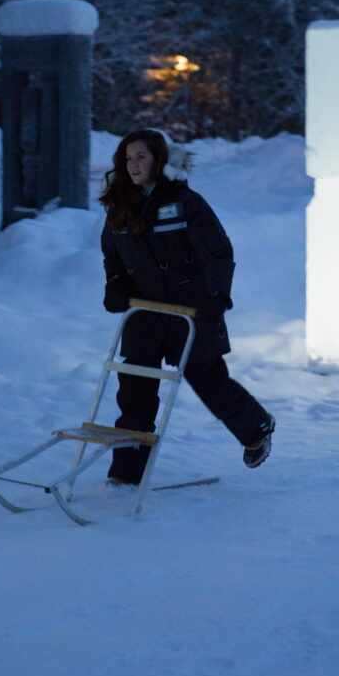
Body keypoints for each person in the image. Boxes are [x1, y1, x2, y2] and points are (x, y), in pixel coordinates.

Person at [99, 128, 275, 485]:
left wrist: (215, 300)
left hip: (191, 310)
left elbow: (218, 253)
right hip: (145, 312)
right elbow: (113, 257)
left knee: (206, 378)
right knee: (134, 388)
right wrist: (116, 287)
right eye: (128, 158)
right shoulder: (119, 207)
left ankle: (256, 427)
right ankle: (127, 471)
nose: (134, 165)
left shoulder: (184, 202)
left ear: (159, 160)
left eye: (142, 157)